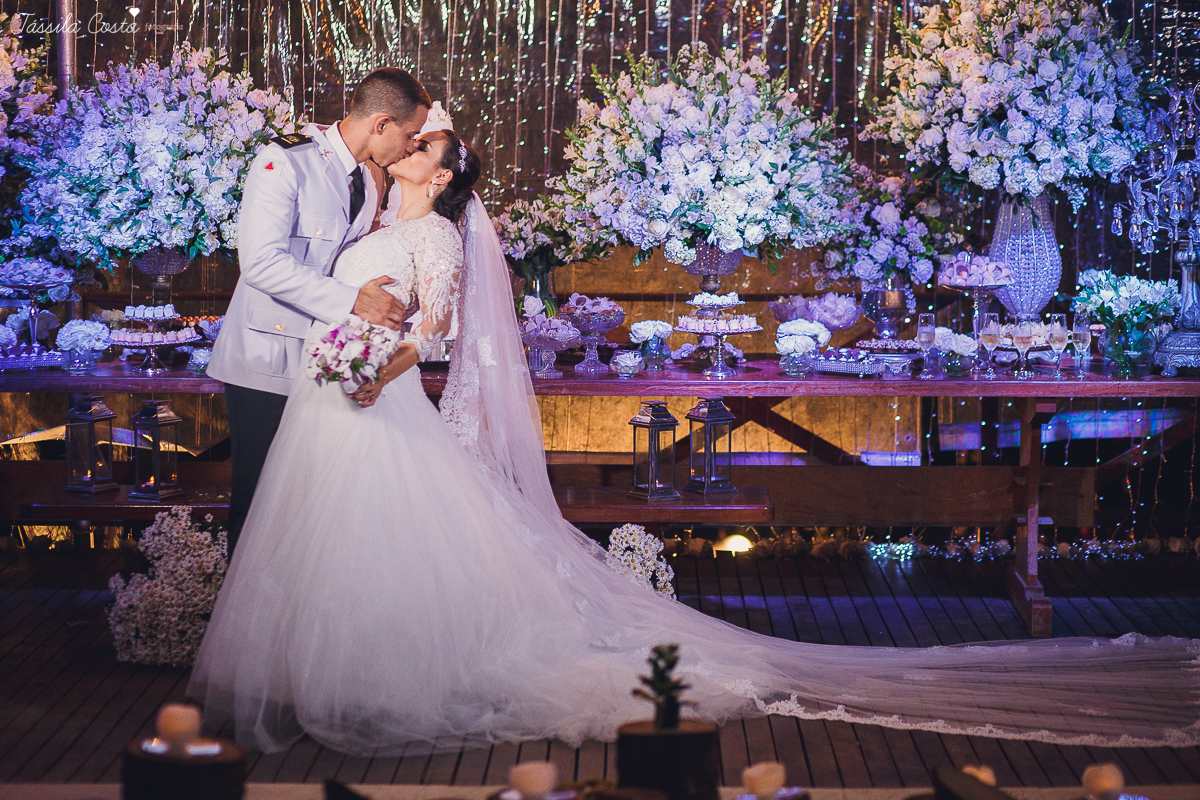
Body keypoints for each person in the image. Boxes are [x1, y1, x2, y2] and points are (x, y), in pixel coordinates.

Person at [190, 119, 1200, 757]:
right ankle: (335, 670)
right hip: (336, 397)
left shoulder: (437, 232)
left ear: (442, 176)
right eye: (412, 136)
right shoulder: (370, 202)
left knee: (390, 544)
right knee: (334, 546)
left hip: (373, 399)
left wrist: (371, 371)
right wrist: (343, 355)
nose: (409, 145)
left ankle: (386, 679)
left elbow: (433, 331)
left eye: (424, 144)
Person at [207, 67, 431, 554]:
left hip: (321, 361)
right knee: (257, 499)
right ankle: (237, 624)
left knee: (304, 506)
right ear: (381, 123)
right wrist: (353, 300)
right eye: (410, 134)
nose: (412, 146)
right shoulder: (285, 161)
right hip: (265, 357)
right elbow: (261, 264)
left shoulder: (368, 183)